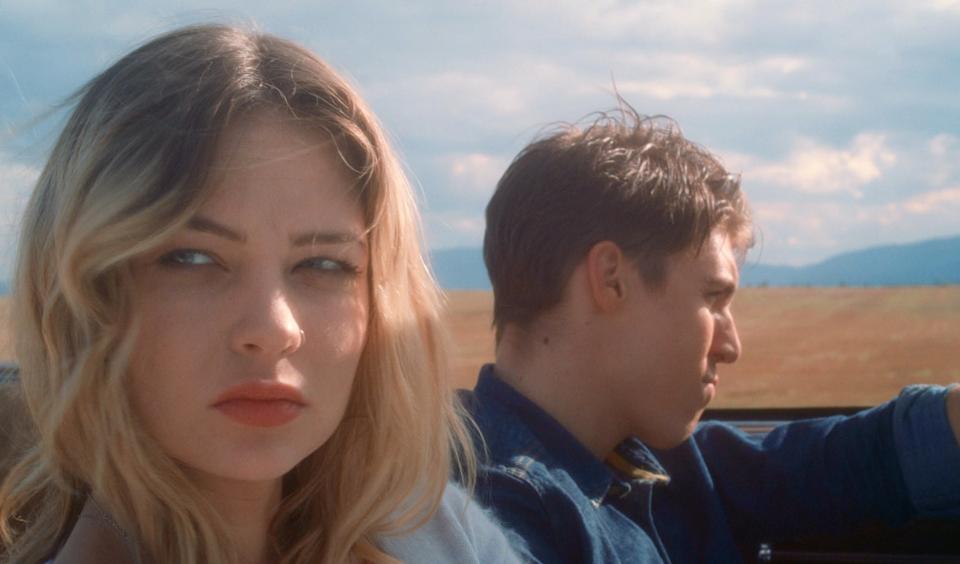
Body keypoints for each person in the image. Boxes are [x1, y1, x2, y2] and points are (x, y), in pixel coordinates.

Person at [0, 24, 523, 564]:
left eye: (323, 264)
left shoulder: (446, 537)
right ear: (80, 292)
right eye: (192, 258)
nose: (275, 329)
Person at [460, 106, 960, 563]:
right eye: (713, 298)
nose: (731, 346)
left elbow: (848, 462)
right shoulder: (497, 523)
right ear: (611, 279)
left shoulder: (650, 459)